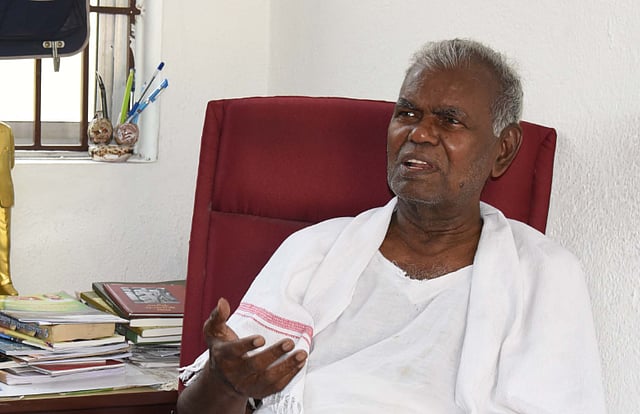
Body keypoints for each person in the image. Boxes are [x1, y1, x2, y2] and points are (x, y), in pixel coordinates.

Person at [177, 39, 606, 414]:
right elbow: (199, 407)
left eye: (449, 120)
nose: (419, 134)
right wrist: (223, 381)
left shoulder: (543, 276)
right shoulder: (314, 251)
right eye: (407, 112)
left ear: (504, 149)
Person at [0, 122, 17, 296]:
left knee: (4, 243)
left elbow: (10, 162)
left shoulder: (6, 130)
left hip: (2, 194)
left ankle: (4, 283)